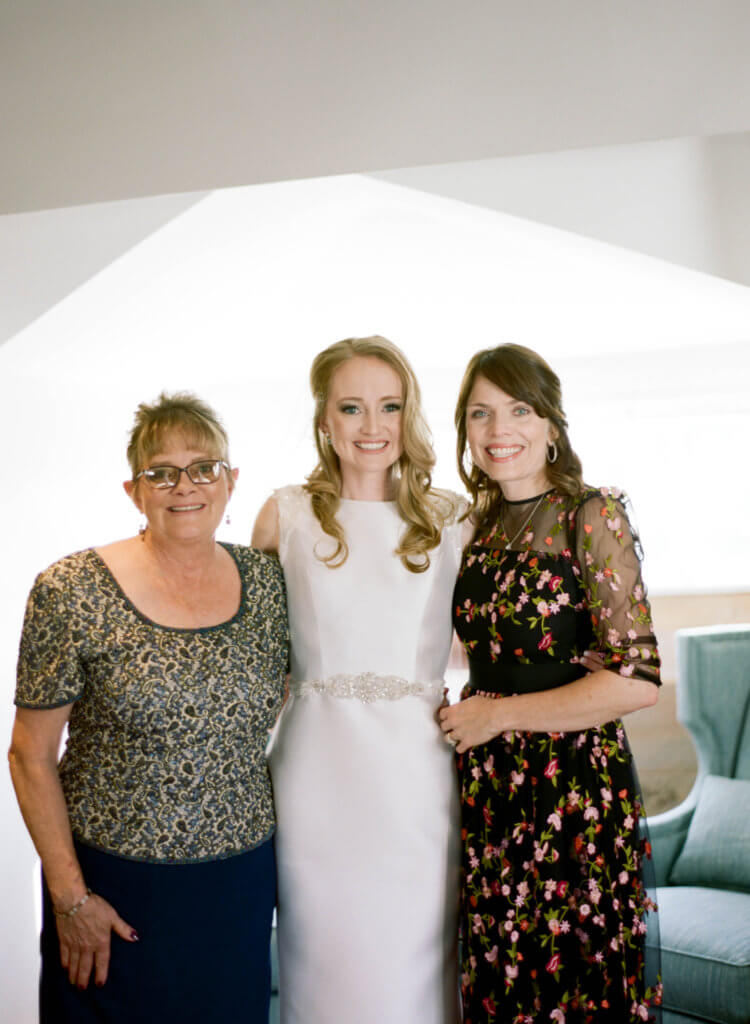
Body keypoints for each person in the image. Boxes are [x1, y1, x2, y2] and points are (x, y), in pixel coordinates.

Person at [9, 392, 289, 1024]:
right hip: (111, 890)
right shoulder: (72, 589)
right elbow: (29, 756)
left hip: (237, 886)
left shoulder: (270, 584)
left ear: (231, 481)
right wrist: (71, 900)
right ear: (134, 490)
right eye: (161, 472)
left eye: (203, 468)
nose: (183, 486)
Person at [439, 344, 662, 1024]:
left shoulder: (590, 514)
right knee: (500, 979)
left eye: (518, 410)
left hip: (572, 789)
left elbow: (638, 681)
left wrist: (497, 717)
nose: (498, 430)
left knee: (571, 988)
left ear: (551, 426)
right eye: (480, 414)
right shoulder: (471, 524)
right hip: (489, 786)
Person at [253, 336, 465, 1024]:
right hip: (316, 773)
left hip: (417, 772)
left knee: (415, 962)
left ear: (410, 415)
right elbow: (246, 652)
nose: (372, 427)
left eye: (390, 406)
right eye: (352, 407)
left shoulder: (455, 517)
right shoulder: (285, 514)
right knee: (325, 958)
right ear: (324, 420)